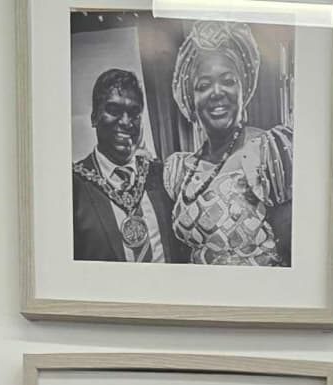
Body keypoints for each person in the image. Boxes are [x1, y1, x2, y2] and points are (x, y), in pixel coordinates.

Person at [163, 26, 292, 268]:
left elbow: (292, 259)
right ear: (192, 99)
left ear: (243, 90)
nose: (217, 92)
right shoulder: (179, 170)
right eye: (203, 85)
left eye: (228, 81)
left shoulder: (269, 151)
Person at [71, 66, 172, 263]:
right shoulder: (73, 187)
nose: (126, 122)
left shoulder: (160, 176)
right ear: (94, 117)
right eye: (114, 110)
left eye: (134, 113)